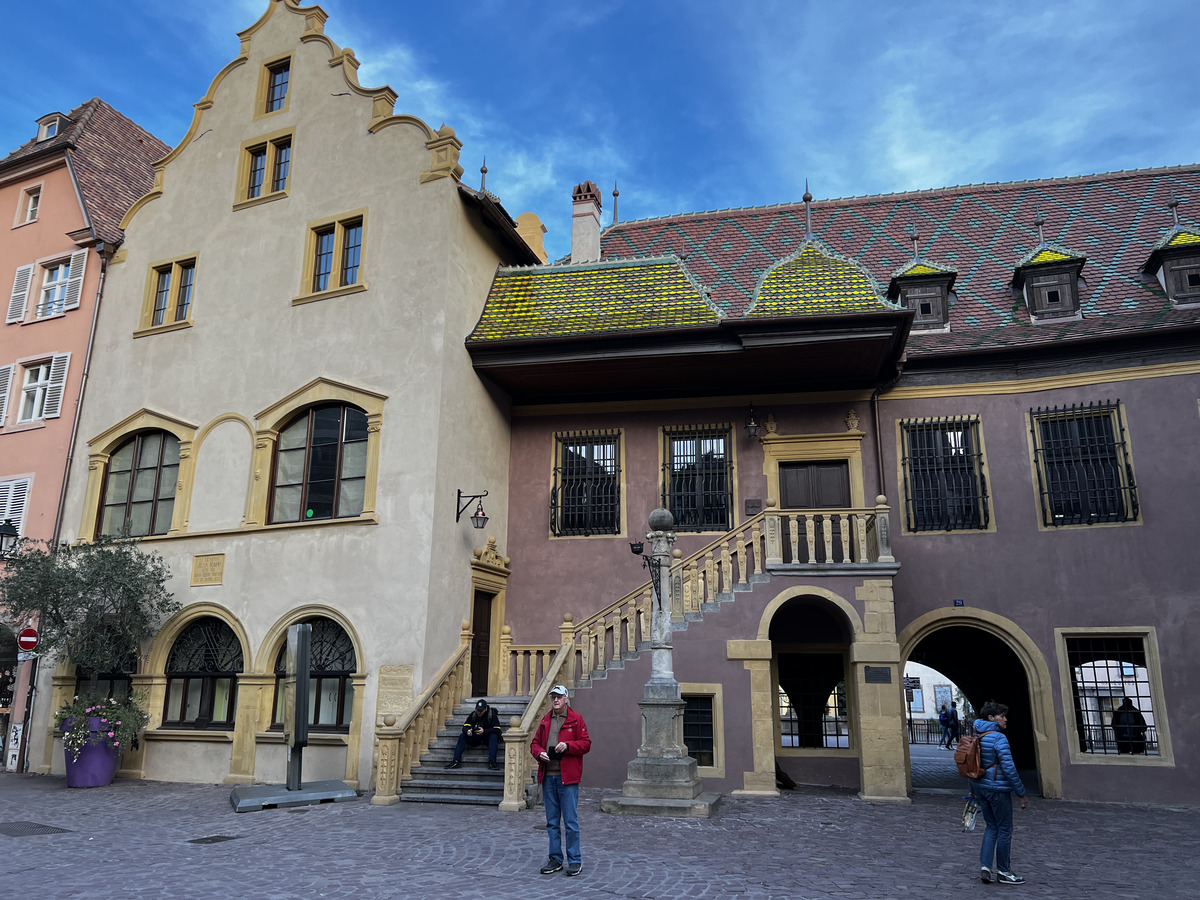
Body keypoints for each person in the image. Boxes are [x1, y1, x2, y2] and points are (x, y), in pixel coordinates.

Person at [532, 684, 591, 877]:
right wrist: (540, 753)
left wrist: (568, 746)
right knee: (552, 822)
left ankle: (574, 860)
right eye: (553, 697)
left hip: (568, 778)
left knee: (571, 822)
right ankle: (555, 859)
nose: (555, 700)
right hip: (549, 777)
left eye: (558, 697)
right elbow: (534, 744)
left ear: (566, 698)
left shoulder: (576, 719)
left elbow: (585, 743)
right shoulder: (546, 720)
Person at [970, 700, 1028, 885]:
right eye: (1002, 716)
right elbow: (1009, 768)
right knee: (1004, 829)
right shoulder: (998, 738)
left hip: (981, 789)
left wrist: (973, 793)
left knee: (991, 827)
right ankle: (1004, 871)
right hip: (998, 789)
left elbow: (972, 766)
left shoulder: (977, 735)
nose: (1005, 719)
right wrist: (1021, 793)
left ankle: (985, 867)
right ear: (991, 717)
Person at [445, 698, 502, 770]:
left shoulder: (491, 714)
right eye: (478, 710)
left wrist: (484, 731)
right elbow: (465, 727)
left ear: (485, 709)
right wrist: (468, 731)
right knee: (462, 736)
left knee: (494, 736)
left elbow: (497, 729)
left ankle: (492, 761)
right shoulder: (473, 714)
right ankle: (456, 761)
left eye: (481, 710)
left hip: (487, 736)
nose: (479, 712)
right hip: (476, 736)